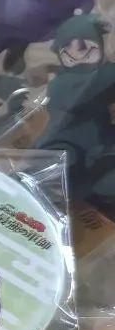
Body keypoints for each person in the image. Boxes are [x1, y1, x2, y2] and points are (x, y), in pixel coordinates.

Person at [36, 13, 115, 210]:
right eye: (68, 46)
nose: (77, 48)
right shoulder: (62, 84)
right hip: (66, 145)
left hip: (97, 145)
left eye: (85, 41)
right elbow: (102, 81)